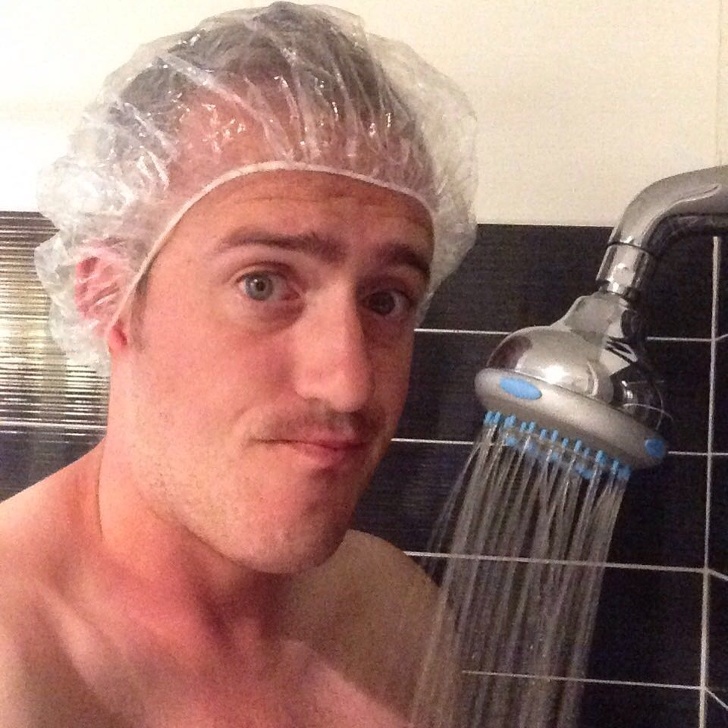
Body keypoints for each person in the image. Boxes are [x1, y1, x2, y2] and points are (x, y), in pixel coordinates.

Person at [0, 3, 477, 726]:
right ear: (108, 300)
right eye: (263, 284)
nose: (349, 384)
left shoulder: (394, 614)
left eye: (386, 300)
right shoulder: (17, 658)